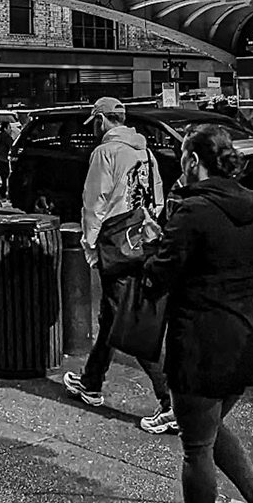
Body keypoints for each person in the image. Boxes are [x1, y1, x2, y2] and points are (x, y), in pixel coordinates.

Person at [145, 123, 253, 503]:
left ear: (191, 161)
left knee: (195, 448)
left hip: (201, 344)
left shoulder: (192, 212)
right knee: (209, 430)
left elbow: (158, 276)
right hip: (246, 339)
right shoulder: (252, 207)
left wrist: (155, 241)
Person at [63, 98, 175, 433]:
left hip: (115, 242)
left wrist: (90, 244)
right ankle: (91, 382)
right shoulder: (144, 151)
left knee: (127, 323)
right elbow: (156, 198)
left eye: (95, 123)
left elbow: (93, 202)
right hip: (141, 241)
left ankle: (170, 400)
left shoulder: (105, 153)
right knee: (114, 317)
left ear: (101, 121)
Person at [0, 117, 18, 204]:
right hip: (2, 161)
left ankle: (1, 197)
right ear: (5, 129)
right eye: (9, 128)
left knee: (5, 180)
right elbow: (13, 145)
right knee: (5, 181)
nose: (10, 130)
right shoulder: (6, 137)